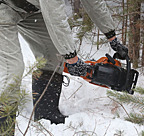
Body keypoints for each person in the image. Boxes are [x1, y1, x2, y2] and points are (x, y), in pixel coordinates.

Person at [0, 0, 128, 135]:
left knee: (53, 55)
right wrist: (71, 57)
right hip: (4, 6)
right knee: (12, 69)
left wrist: (112, 37)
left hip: (31, 9)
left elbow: (95, 2)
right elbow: (56, 18)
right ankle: (4, 130)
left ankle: (46, 114)